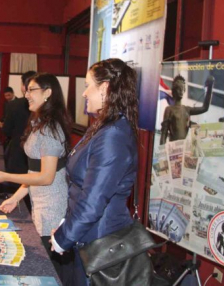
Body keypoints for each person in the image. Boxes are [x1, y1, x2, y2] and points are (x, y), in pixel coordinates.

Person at [51, 58, 139, 285]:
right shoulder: (103, 127)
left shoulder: (113, 134)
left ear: (105, 88)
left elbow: (94, 201)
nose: (84, 93)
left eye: (88, 85)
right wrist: (66, 223)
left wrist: (63, 238)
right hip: (88, 237)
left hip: (100, 243)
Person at [0, 73, 73, 284]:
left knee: (49, 268)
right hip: (41, 202)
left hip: (51, 205)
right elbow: (34, 172)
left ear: (48, 93)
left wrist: (6, 176)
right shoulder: (40, 121)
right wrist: (16, 197)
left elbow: (46, 177)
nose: (26, 94)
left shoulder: (50, 128)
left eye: (32, 90)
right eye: (27, 90)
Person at [160, 74, 214, 144]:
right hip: (173, 148)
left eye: (182, 89)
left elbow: (204, 108)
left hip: (184, 148)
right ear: (174, 90)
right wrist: (162, 151)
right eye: (179, 89)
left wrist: (210, 87)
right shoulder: (169, 110)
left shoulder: (187, 110)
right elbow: (164, 133)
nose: (181, 91)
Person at [1, 71, 36, 174]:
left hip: (18, 153)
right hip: (37, 159)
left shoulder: (13, 105)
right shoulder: (45, 109)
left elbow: (6, 130)